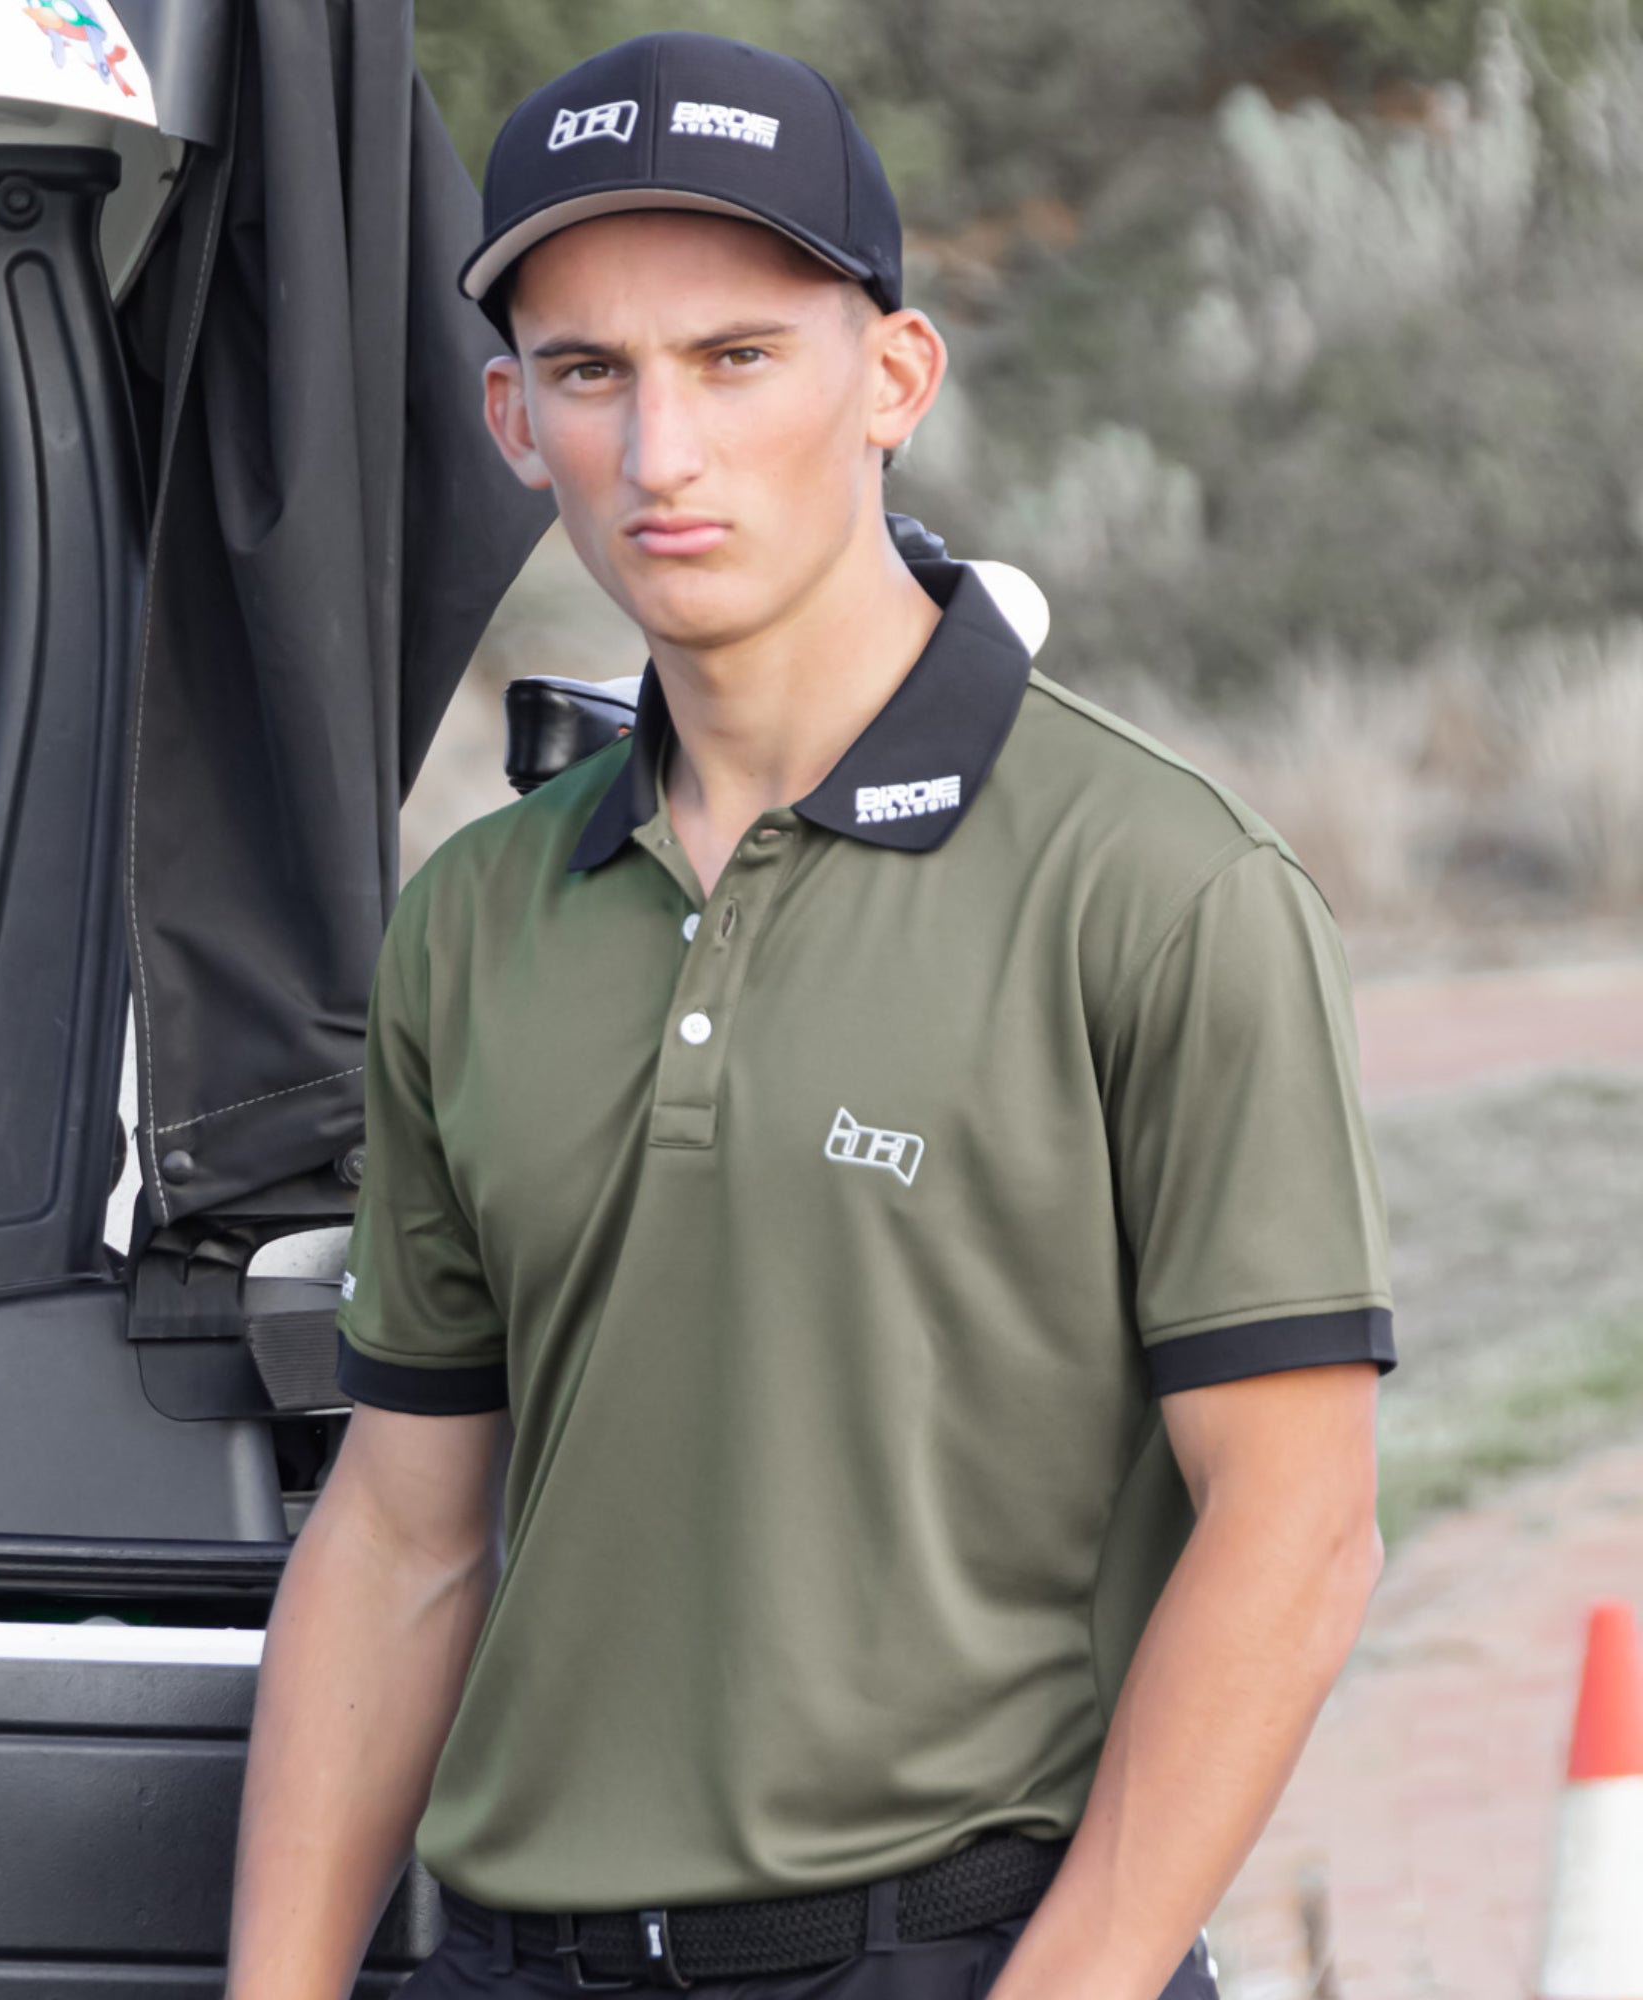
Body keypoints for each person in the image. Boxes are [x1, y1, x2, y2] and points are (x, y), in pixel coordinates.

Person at [225, 30, 1395, 2000]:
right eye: (589, 373)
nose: (657, 455)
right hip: (516, 1962)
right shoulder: (472, 923)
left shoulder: (1166, 888)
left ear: (894, 380)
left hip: (958, 1959)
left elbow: (1295, 1534)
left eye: (735, 358)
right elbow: (400, 1534)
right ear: (511, 419)